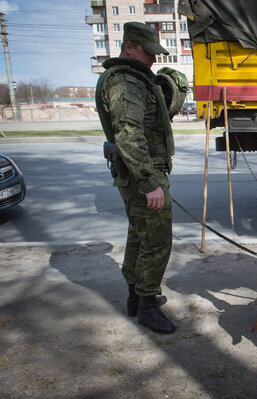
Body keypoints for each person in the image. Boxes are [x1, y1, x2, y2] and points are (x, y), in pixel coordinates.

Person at [95, 22, 186, 334]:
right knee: (157, 240)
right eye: (149, 52)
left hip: (136, 172)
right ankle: (147, 305)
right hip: (142, 175)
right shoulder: (125, 82)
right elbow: (129, 135)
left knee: (139, 235)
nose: (153, 59)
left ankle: (136, 297)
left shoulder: (132, 80)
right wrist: (150, 183)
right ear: (129, 46)